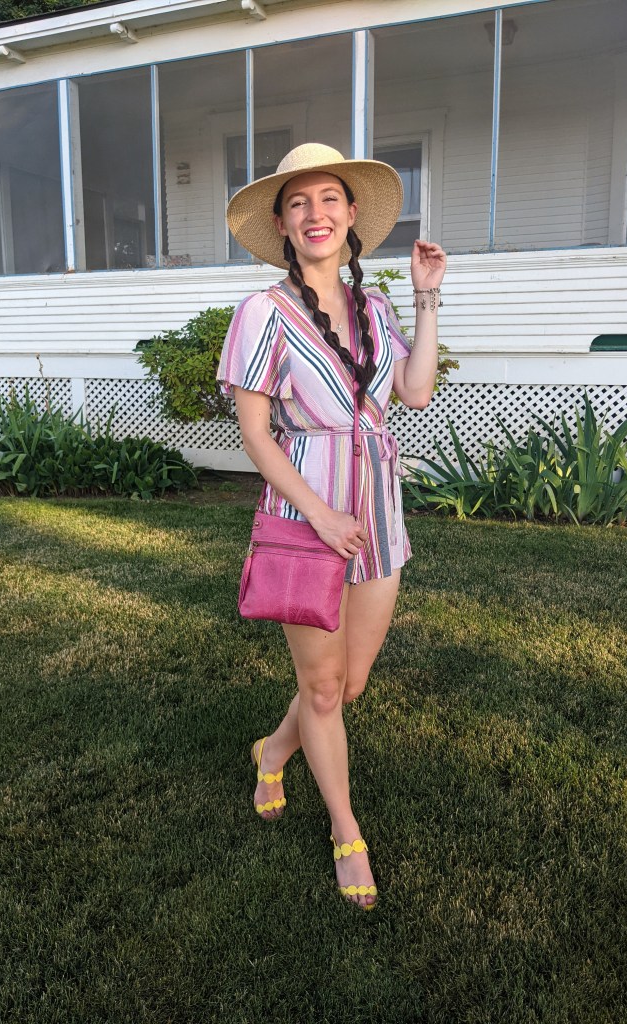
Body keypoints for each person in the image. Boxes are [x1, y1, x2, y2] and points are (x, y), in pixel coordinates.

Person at [217, 143, 446, 910]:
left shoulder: (378, 310)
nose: (315, 214)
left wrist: (425, 298)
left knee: (349, 684)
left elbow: (413, 395)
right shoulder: (263, 314)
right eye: (298, 203)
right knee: (319, 686)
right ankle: (347, 830)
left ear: (351, 216)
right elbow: (254, 435)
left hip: (378, 514)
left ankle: (272, 749)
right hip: (307, 513)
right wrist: (318, 512)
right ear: (282, 226)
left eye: (328, 200)